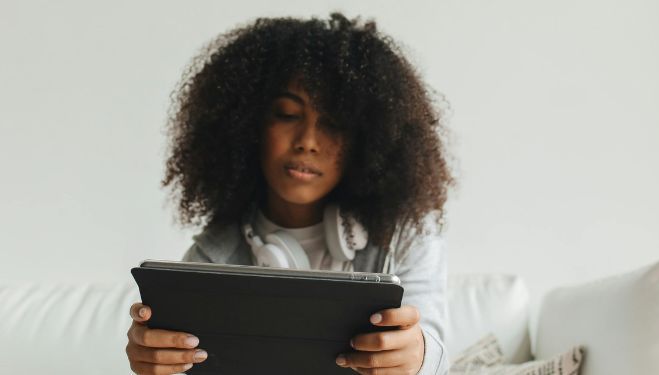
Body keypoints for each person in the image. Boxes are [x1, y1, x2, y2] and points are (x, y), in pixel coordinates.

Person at [125, 12, 454, 375]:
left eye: (333, 123)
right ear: (249, 125)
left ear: (366, 140)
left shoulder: (404, 236)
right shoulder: (210, 257)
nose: (307, 142)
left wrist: (418, 355)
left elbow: (438, 352)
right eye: (287, 114)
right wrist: (156, 364)